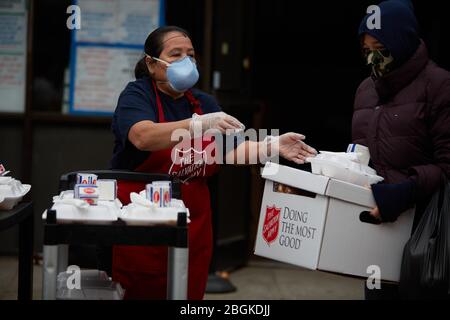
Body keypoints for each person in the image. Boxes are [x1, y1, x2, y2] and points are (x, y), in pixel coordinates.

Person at [110, 26, 317, 299]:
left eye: (191, 55)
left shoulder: (204, 103)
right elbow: (143, 136)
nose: (187, 61)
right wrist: (197, 125)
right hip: (143, 224)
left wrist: (272, 146)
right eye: (176, 55)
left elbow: (232, 150)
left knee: (188, 293)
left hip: (193, 225)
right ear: (151, 63)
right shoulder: (137, 95)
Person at [353, 0, 450, 299]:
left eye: (379, 48)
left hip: (425, 235)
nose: (373, 58)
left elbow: (447, 164)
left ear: (402, 41)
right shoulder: (365, 90)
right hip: (376, 231)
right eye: (366, 50)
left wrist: (405, 191)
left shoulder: (439, 84)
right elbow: (360, 156)